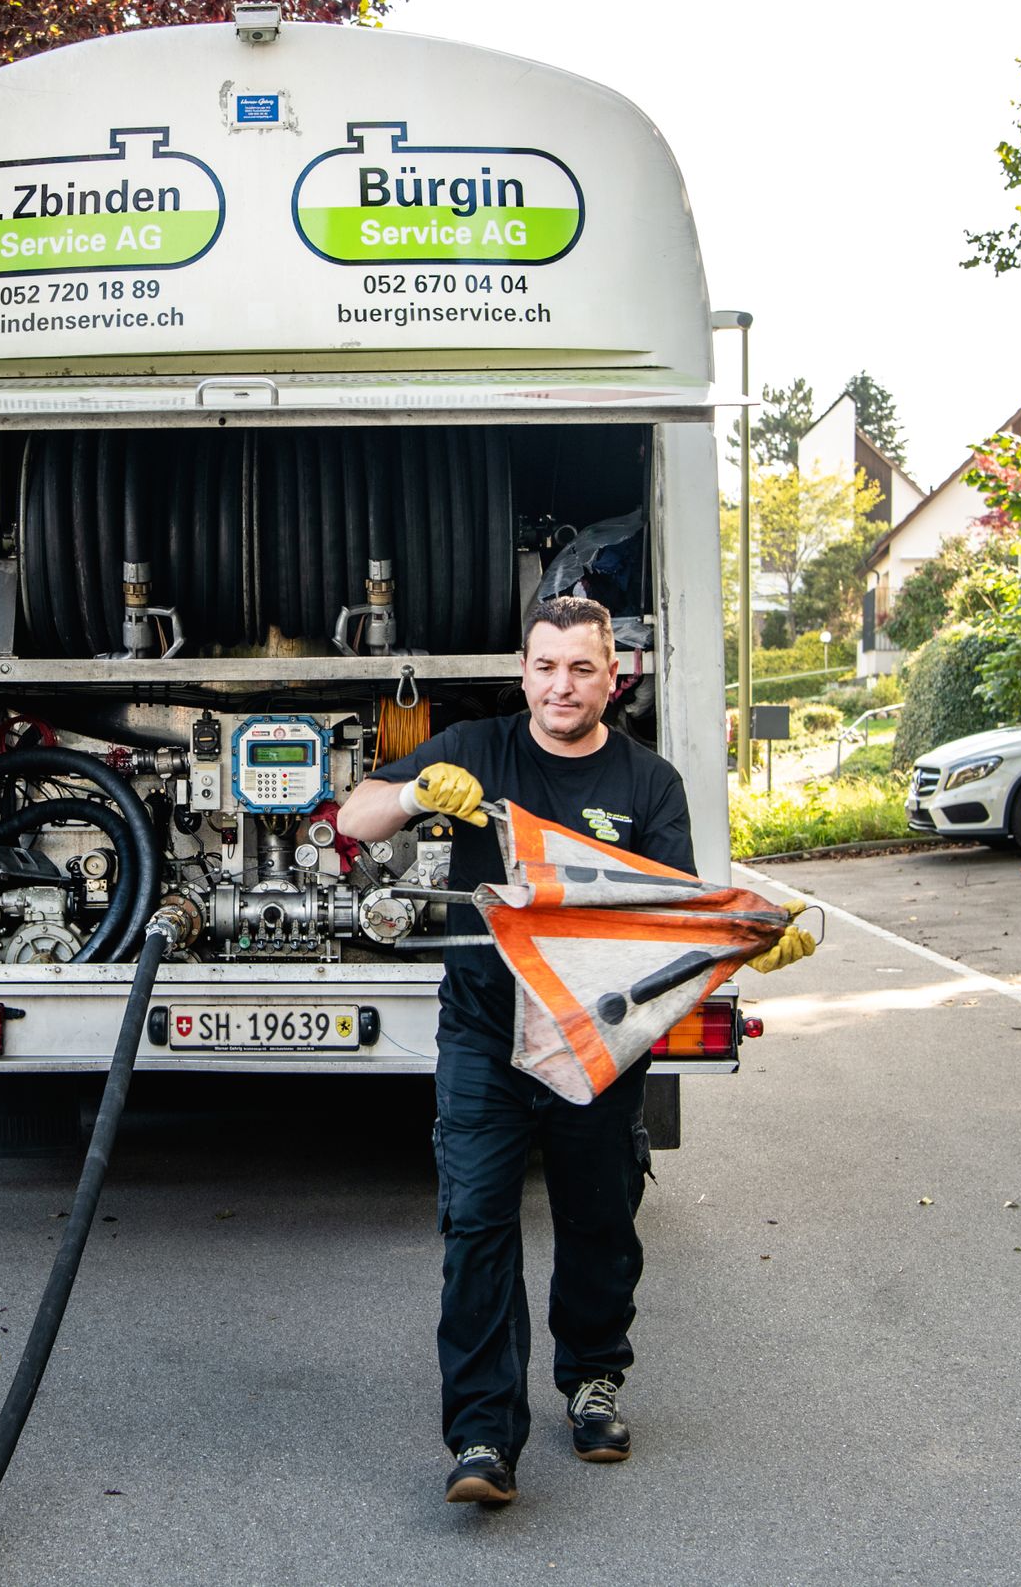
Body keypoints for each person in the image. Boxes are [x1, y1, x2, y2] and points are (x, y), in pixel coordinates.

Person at [336, 594, 695, 1507]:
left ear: (614, 677)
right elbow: (354, 818)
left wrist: (751, 936)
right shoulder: (475, 750)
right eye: (545, 667)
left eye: (581, 668)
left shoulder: (650, 784)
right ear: (523, 673)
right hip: (484, 1037)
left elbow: (674, 915)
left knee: (599, 1222)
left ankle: (593, 1381)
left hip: (595, 1041)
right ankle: (484, 1435)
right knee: (477, 1228)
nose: (561, 686)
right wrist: (415, 794)